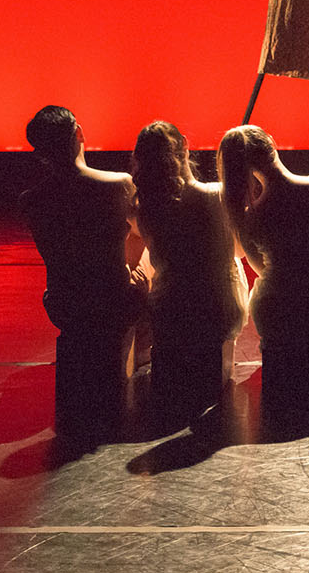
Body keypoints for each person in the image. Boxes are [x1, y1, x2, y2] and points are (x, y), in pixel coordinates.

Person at [20, 105, 145, 445]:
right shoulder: (118, 185)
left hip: (64, 307)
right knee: (144, 245)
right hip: (113, 304)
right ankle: (148, 369)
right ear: (79, 135)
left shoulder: (33, 200)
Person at [216, 125, 309, 426]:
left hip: (277, 309)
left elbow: (261, 268)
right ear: (271, 144)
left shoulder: (250, 214)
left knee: (281, 398)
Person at [130, 121, 248, 427]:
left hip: (170, 312)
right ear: (184, 144)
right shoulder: (217, 195)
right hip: (216, 310)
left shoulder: (145, 208)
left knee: (152, 263)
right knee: (229, 266)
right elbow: (239, 252)